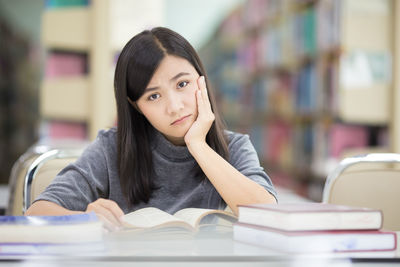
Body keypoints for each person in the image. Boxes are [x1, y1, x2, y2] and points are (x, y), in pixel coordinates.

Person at [25, 27, 277, 230]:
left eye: (182, 84)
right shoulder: (111, 148)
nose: (175, 107)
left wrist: (198, 145)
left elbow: (267, 214)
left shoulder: (235, 147)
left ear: (202, 79)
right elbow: (36, 212)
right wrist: (83, 219)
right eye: (153, 97)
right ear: (136, 107)